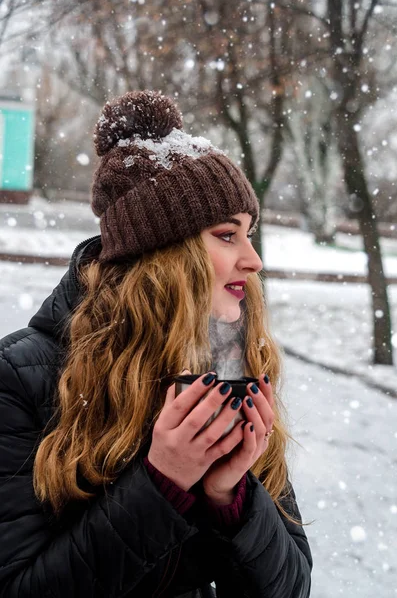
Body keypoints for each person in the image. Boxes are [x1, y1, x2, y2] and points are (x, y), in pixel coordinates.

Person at [0, 90, 312, 597]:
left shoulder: (230, 368)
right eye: (227, 235)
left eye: (249, 234)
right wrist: (161, 483)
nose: (254, 260)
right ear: (164, 254)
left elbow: (292, 586)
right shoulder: (22, 376)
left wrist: (231, 498)